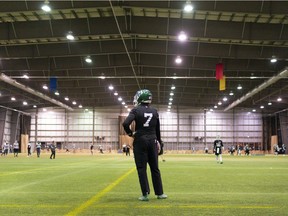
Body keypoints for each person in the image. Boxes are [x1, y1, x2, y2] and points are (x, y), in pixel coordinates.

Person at [122, 89, 167, 201]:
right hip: (152, 140)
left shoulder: (135, 110)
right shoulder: (155, 111)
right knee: (155, 168)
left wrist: (130, 133)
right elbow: (158, 130)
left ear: (140, 98)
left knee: (142, 168)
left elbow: (125, 123)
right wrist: (159, 143)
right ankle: (160, 193)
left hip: (140, 141)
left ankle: (145, 194)